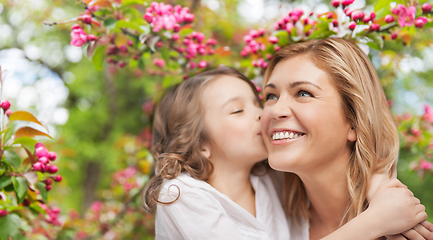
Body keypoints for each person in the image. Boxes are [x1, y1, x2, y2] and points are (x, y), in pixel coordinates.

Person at [142, 66, 428, 239]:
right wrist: (376, 221)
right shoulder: (181, 195)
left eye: (258, 103)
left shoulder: (270, 179)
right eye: (238, 110)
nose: (265, 114)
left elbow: (342, 162)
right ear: (200, 143)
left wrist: (379, 189)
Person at [261, 38, 433, 239]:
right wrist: (374, 221)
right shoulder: (264, 214)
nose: (276, 110)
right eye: (271, 96)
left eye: (303, 93)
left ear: (354, 121)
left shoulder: (403, 230)